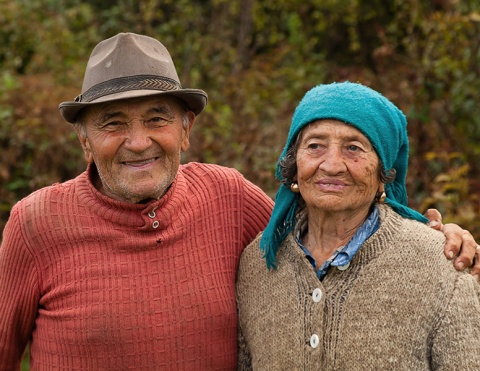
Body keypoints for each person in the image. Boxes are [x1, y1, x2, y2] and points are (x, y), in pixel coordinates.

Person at [0, 33, 477, 370]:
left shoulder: (226, 197)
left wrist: (441, 238)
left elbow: (328, 215)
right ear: (84, 141)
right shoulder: (35, 224)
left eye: (157, 118)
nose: (139, 141)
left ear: (186, 130)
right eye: (113, 124)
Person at [236, 82, 480, 370]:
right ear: (293, 165)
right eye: (315, 146)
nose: (332, 165)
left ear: (383, 174)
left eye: (353, 148)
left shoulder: (441, 266)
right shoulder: (258, 263)